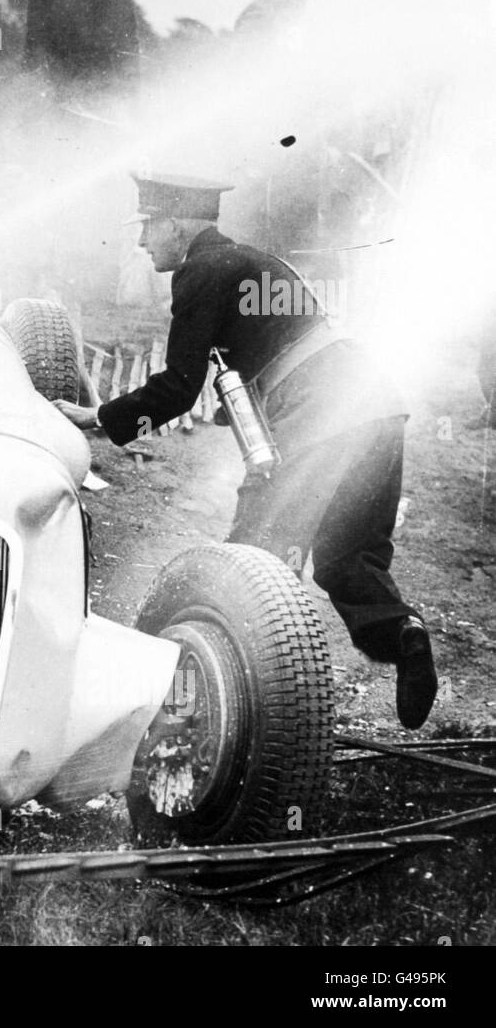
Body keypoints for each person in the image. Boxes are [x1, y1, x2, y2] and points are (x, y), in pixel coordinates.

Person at [55, 174, 438, 729]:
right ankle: (403, 635)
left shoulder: (200, 271)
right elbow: (266, 356)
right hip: (376, 408)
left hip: (322, 417)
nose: (141, 243)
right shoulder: (252, 262)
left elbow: (179, 385)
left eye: (147, 228)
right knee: (349, 557)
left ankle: (223, 707)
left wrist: (101, 418)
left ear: (178, 224)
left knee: (251, 557)